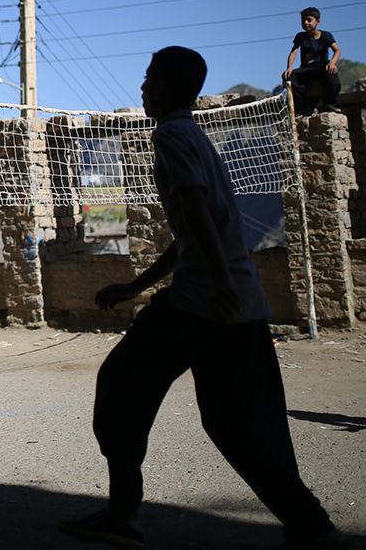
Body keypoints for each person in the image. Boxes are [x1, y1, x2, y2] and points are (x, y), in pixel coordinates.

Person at [59, 46, 340, 550]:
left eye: (148, 79)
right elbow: (192, 228)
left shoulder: (169, 134)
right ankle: (312, 526)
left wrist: (218, 281)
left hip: (202, 303)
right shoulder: (197, 137)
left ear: (162, 87)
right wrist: (138, 286)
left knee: (121, 389)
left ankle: (122, 513)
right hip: (236, 301)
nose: (142, 88)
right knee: (240, 425)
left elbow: (193, 208)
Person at [283, 6, 342, 114]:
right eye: (303, 20)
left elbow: (337, 50)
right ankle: (302, 107)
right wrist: (289, 68)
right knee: (289, 77)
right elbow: (294, 52)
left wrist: (332, 62)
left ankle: (329, 103)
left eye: (309, 20)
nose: (306, 23)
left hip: (321, 67)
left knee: (332, 75)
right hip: (306, 68)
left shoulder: (326, 36)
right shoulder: (301, 36)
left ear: (318, 21)